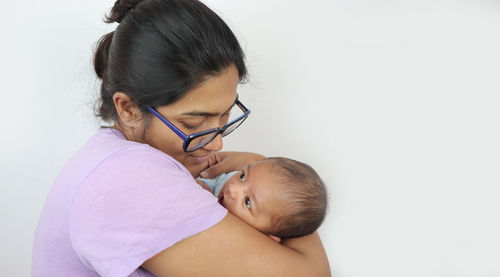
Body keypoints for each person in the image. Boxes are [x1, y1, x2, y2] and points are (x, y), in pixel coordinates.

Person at [31, 0, 331, 276]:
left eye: (225, 115)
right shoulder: (126, 178)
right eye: (193, 122)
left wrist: (266, 181)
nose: (217, 143)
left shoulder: (116, 161)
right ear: (129, 108)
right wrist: (276, 187)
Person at [198, 157, 327, 243]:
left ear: (266, 238)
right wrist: (203, 185)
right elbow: (216, 182)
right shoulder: (230, 181)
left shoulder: (244, 241)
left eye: (247, 202)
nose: (232, 189)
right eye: (242, 176)